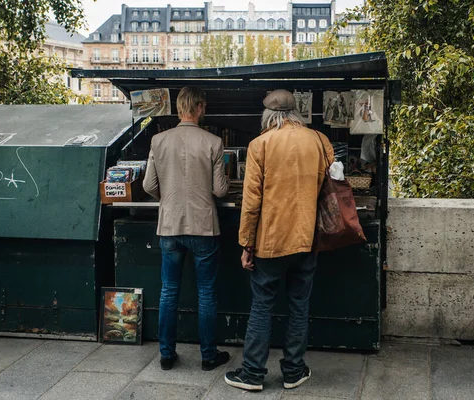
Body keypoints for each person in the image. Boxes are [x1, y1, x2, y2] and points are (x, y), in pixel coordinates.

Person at [224, 89, 334, 391]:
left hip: (270, 241)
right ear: (295, 113)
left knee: (262, 306)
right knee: (299, 305)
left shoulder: (260, 145)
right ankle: (294, 371)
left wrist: (246, 244)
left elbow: (251, 202)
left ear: (268, 116)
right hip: (307, 237)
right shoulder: (319, 140)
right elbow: (328, 181)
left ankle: (253, 374)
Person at [143, 86, 230, 372]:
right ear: (200, 107)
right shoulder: (214, 142)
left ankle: (167, 355)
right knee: (206, 292)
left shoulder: (157, 140)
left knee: (169, 291)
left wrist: (169, 199)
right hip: (203, 226)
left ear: (179, 108)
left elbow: (148, 186)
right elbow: (219, 190)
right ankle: (208, 356)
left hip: (169, 226)